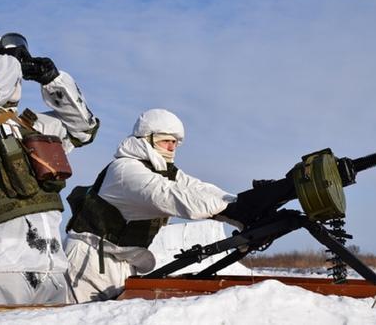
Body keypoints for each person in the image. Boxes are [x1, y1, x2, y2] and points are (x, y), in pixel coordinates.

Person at [64, 108, 284, 303]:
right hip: (90, 261)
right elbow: (170, 196)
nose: (171, 147)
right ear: (146, 139)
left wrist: (244, 207)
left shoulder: (165, 171)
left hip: (122, 259)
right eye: (164, 140)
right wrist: (231, 208)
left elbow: (199, 189)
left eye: (175, 142)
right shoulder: (124, 170)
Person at [0, 33, 99, 305]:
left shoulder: (33, 126)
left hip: (52, 270)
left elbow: (84, 130)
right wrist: (9, 61)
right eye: (4, 60)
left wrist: (52, 80)